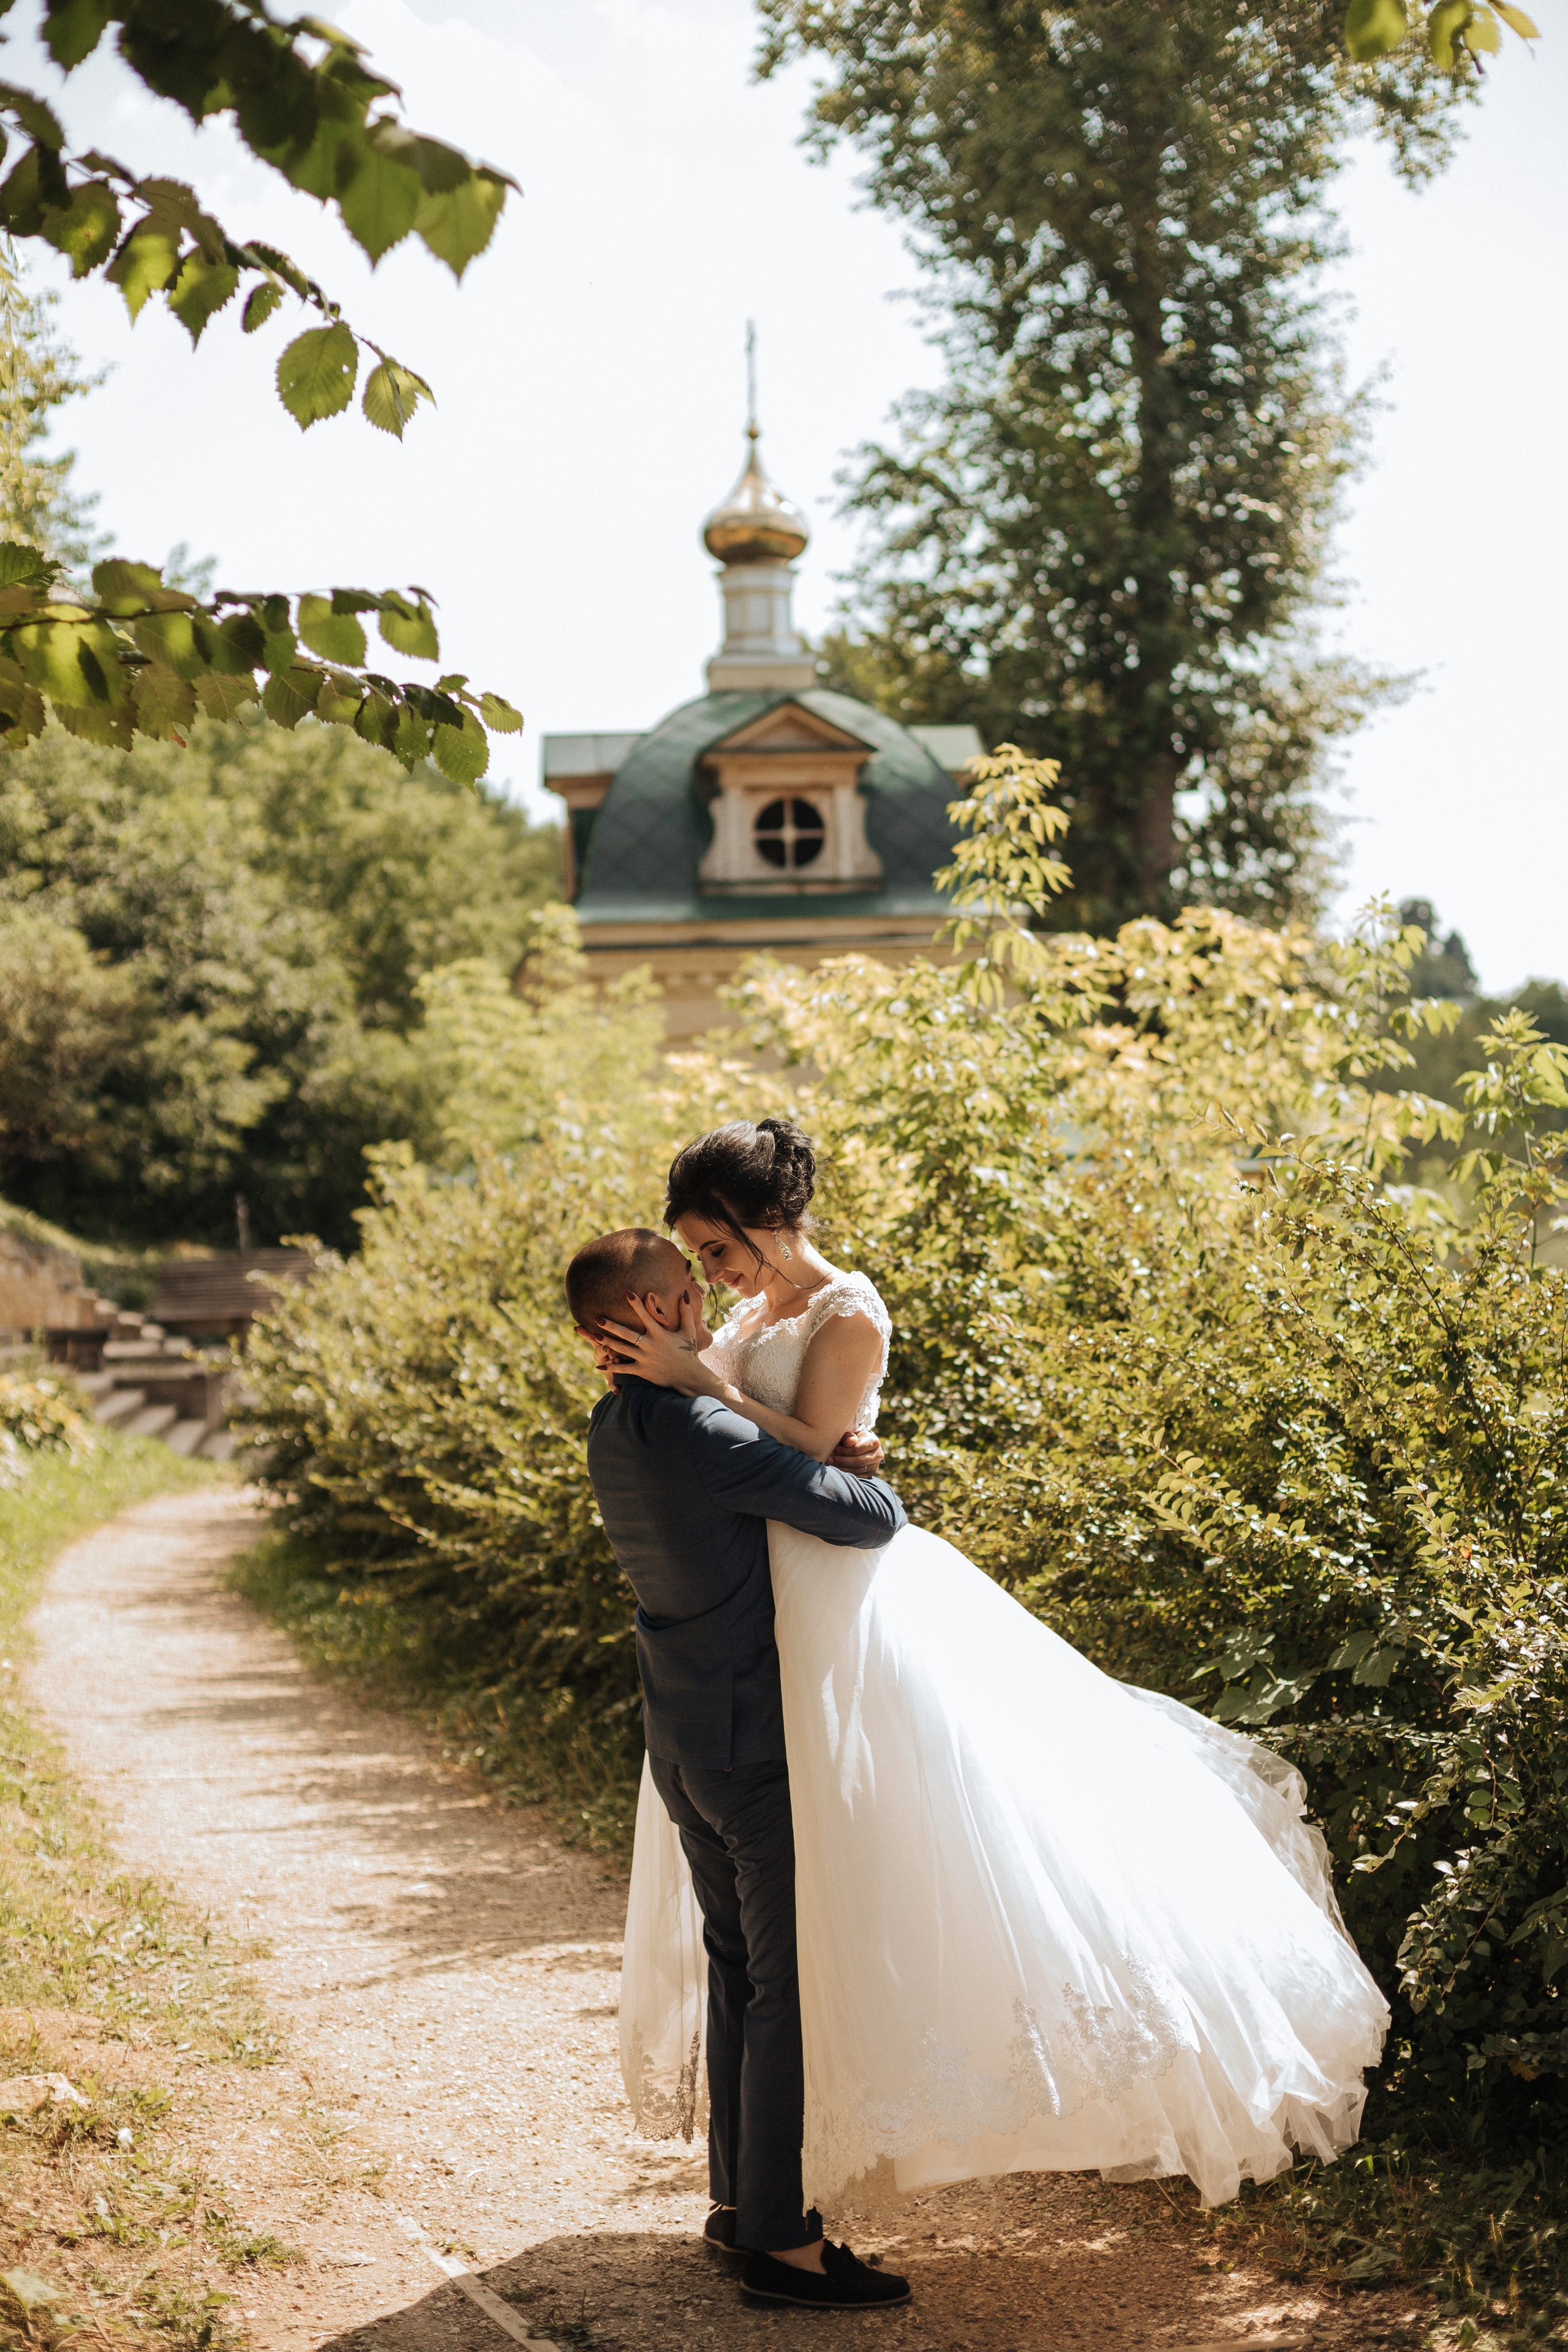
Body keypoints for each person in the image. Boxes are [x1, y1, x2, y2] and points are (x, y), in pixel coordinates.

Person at [597, 1118, 1392, 2225]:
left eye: (721, 1251)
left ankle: (791, 2188)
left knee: (894, 1867)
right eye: (699, 1260)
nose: (714, 1276)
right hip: (754, 1601)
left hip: (837, 1596)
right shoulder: (742, 1316)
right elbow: (772, 1447)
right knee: (791, 1905)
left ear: (770, 1224)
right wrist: (706, 1385)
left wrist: (714, 1387)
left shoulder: (848, 1311)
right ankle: (770, 2191)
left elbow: (814, 1451)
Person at [565, 1226, 914, 2312]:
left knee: (737, 1967)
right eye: (683, 1296)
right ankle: (779, 2241)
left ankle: (736, 2205)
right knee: (783, 1986)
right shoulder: (703, 1429)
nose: (705, 1317)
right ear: (651, 1317)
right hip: (752, 1742)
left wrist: (799, 1450)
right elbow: (875, 1521)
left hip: (680, 1736)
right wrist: (839, 1459)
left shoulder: (614, 1426)